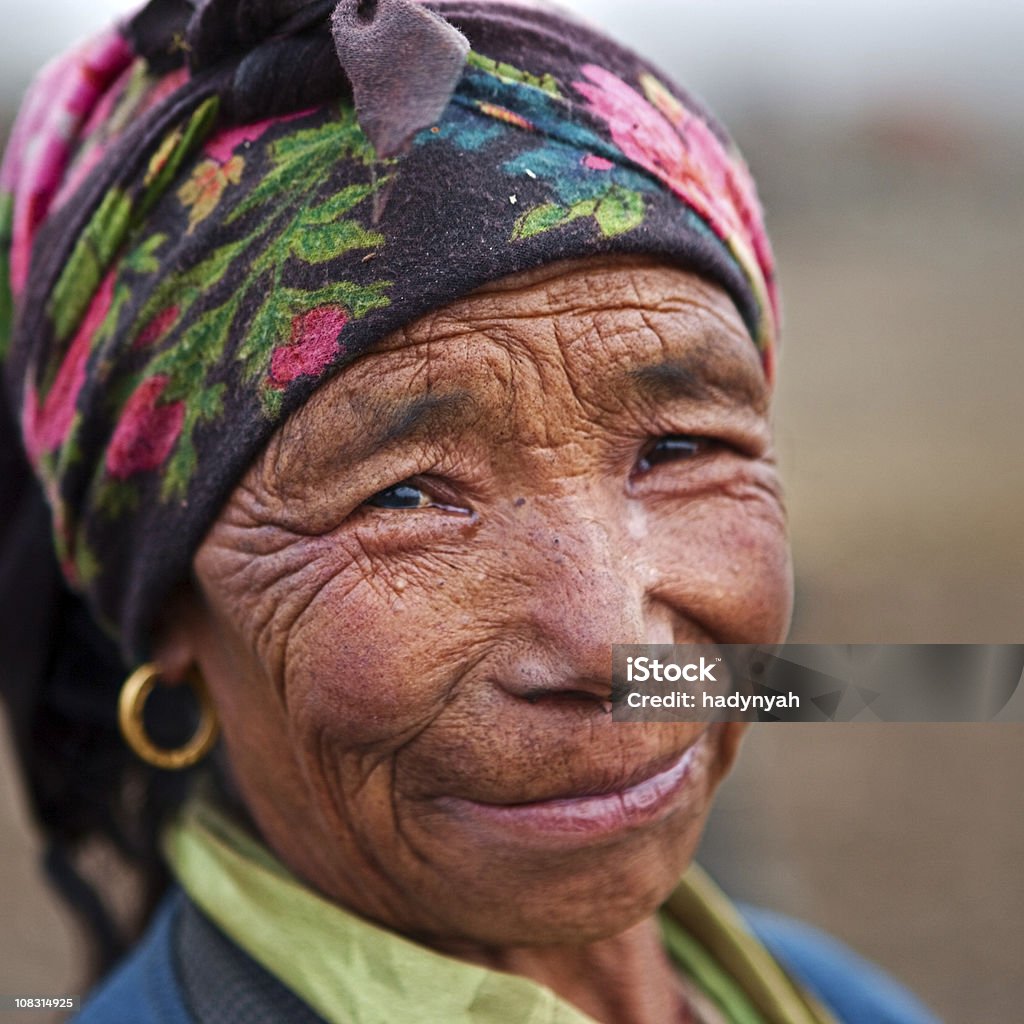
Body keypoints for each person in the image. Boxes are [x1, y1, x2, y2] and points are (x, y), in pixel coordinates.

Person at [0, 1, 940, 1021]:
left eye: (678, 448)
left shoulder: (832, 996)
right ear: (170, 606)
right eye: (403, 494)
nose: (609, 642)